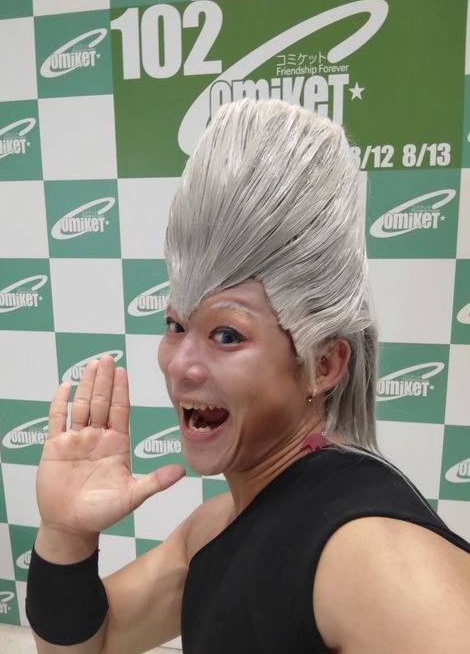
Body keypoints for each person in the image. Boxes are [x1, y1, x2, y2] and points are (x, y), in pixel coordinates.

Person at [26, 99, 470, 654]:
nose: (179, 364)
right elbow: (91, 645)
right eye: (176, 325)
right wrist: (67, 533)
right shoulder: (215, 526)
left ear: (323, 364)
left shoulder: (368, 555)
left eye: (227, 334)